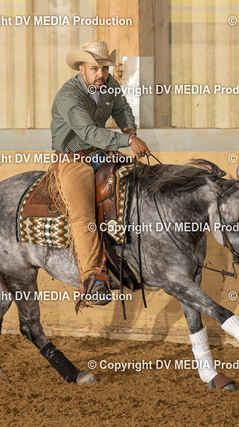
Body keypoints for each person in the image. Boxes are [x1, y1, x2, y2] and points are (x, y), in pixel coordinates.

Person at [50, 40, 151, 306]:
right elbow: (88, 132)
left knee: (138, 185)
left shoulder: (109, 84)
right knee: (83, 216)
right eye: (94, 69)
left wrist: (129, 128)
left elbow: (122, 108)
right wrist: (128, 141)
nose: (101, 74)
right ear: (81, 68)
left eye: (105, 69)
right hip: (73, 158)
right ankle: (92, 279)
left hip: (100, 152)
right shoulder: (70, 96)